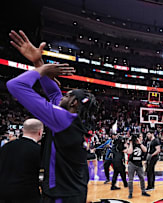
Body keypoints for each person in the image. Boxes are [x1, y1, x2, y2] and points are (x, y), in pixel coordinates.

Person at [8, 30, 98, 203]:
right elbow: (52, 92)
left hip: (61, 196)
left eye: (68, 95)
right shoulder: (74, 119)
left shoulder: (63, 119)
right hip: (73, 191)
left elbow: (15, 85)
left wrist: (42, 70)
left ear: (74, 104)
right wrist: (36, 61)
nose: (62, 95)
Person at [0, 119, 43, 203]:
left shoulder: (5, 147)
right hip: (27, 196)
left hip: (3, 194)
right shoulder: (38, 150)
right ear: (40, 132)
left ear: (23, 130)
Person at [126, 133, 150, 199]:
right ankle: (130, 193)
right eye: (139, 137)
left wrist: (140, 143)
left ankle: (143, 191)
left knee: (142, 178)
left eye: (140, 137)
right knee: (130, 179)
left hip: (139, 164)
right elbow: (129, 152)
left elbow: (145, 150)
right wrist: (131, 143)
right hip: (132, 164)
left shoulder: (141, 144)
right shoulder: (131, 144)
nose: (139, 138)